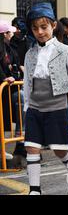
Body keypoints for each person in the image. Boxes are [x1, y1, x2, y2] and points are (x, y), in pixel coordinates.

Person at [23, 2, 68, 195]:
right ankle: (34, 190)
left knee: (59, 150)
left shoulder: (65, 51)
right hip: (34, 107)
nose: (40, 32)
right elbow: (26, 81)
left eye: (44, 27)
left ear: (53, 26)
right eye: (35, 28)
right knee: (31, 147)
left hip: (56, 108)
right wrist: (26, 106)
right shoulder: (30, 53)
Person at [0, 20, 26, 158]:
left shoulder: (10, 48)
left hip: (9, 91)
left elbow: (15, 66)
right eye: (9, 32)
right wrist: (4, 78)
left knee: (23, 98)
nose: (12, 34)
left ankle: (20, 140)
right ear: (4, 34)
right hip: (3, 91)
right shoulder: (2, 49)